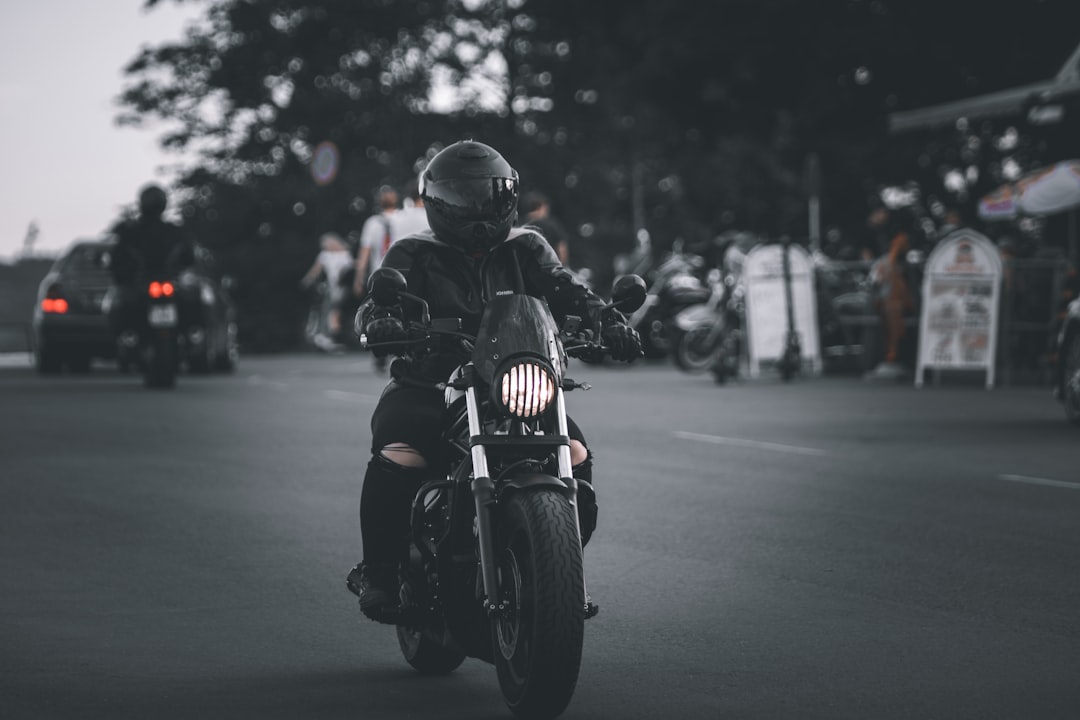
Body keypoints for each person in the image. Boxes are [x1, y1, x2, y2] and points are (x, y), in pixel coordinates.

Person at [344, 140, 642, 620]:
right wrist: (378, 320)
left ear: (508, 197)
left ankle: (559, 570)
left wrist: (607, 320)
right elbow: (377, 301)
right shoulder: (414, 251)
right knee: (400, 453)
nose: (478, 209)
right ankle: (380, 571)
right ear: (438, 202)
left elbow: (565, 287)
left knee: (575, 453)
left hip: (515, 380)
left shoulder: (526, 245)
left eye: (488, 196)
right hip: (431, 384)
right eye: (464, 198)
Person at [107, 184, 195, 346]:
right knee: (121, 305)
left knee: (192, 301)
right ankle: (127, 339)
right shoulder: (172, 231)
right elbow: (189, 257)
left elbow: (188, 257)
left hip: (162, 283)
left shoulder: (131, 231)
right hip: (144, 284)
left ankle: (191, 338)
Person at [299, 232, 353, 348]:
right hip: (331, 287)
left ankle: (333, 334)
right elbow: (316, 270)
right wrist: (307, 280)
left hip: (343, 287)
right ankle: (327, 335)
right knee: (328, 309)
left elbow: (348, 272)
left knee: (335, 309)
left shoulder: (345, 254)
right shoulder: (325, 255)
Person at [352, 188, 400, 299]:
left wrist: (358, 279)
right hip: (400, 274)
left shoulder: (371, 223)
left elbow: (364, 254)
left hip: (378, 277)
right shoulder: (403, 219)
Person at [518, 190, 571, 266]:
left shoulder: (519, 225)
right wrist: (564, 267)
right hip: (549, 268)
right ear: (541, 206)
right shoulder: (552, 225)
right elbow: (562, 247)